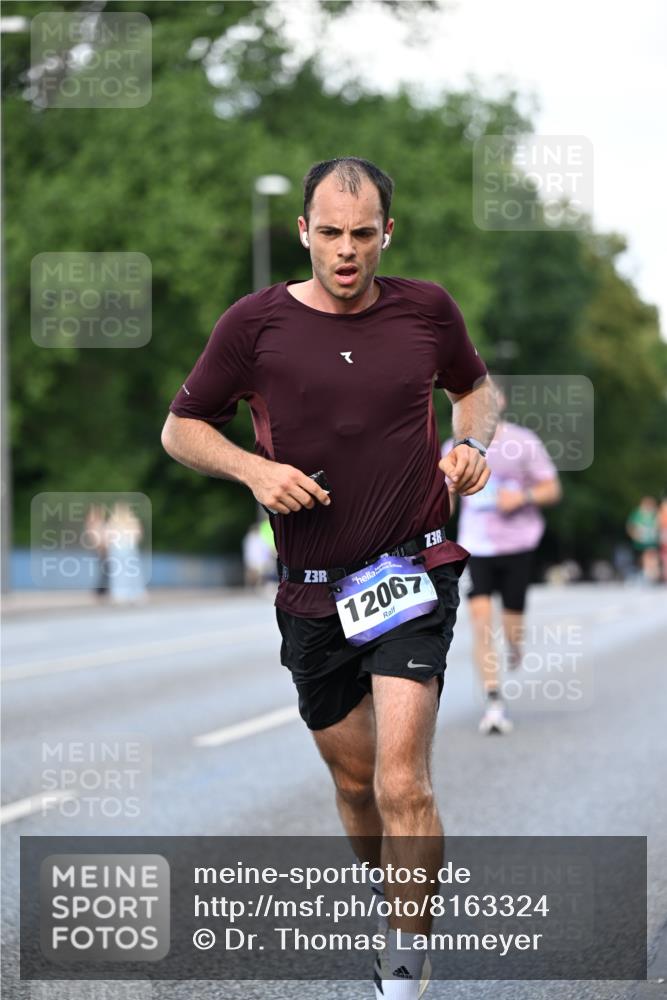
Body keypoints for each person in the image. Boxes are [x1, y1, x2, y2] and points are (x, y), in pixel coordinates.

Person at [161, 156, 497, 999]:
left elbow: (476, 389)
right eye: (331, 234)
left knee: (400, 779)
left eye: (363, 234)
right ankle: (391, 902)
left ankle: (404, 964)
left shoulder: (427, 310)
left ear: (388, 232)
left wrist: (470, 443)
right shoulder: (254, 324)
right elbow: (180, 428)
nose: (347, 252)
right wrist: (251, 471)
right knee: (355, 786)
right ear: (303, 231)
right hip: (312, 585)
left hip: (411, 567)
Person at [443, 386, 561, 735]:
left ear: (503, 401)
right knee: (480, 621)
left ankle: (514, 643)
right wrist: (445, 493)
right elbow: (444, 506)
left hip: (518, 544)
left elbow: (551, 488)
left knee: (511, 624)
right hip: (475, 546)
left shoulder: (523, 442)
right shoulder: (453, 448)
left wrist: (522, 496)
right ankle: (494, 700)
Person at [626, 496, 660, 584]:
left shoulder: (656, 514)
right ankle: (645, 575)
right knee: (642, 559)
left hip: (652, 542)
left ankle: (651, 576)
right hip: (640, 543)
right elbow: (631, 526)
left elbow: (660, 526)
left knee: (651, 557)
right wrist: (635, 536)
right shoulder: (637, 514)